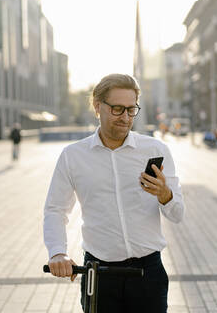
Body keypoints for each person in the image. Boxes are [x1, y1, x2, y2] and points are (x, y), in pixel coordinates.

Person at [43, 74, 185, 313]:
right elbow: (55, 209)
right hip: (98, 276)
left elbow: (178, 214)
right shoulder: (73, 156)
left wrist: (165, 194)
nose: (126, 118)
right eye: (118, 109)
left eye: (131, 110)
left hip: (148, 274)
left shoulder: (155, 149)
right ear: (98, 107)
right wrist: (57, 252)